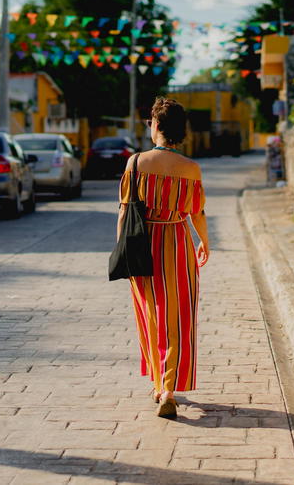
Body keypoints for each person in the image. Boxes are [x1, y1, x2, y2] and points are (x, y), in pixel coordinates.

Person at [117, 97, 209, 419]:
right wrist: (204, 243)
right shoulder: (191, 169)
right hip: (177, 243)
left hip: (142, 247)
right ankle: (169, 388)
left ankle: (159, 385)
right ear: (180, 130)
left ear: (155, 125)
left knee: (151, 317)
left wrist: (122, 250)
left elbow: (125, 211)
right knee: (179, 319)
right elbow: (196, 211)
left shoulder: (135, 163)